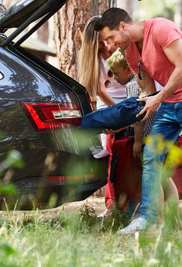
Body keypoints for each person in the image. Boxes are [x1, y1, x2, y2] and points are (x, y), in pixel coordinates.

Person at [95, 8, 182, 234]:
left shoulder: (161, 29)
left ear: (123, 26)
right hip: (168, 104)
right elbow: (147, 89)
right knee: (150, 157)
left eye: (111, 37)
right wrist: (126, 116)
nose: (109, 45)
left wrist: (158, 98)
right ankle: (147, 218)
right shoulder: (130, 53)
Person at [105, 48, 180, 224]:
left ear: (127, 68)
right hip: (170, 131)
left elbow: (137, 116)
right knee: (166, 177)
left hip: (150, 135)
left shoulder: (134, 85)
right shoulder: (156, 79)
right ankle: (176, 219)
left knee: (154, 175)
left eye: (116, 73)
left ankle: (159, 220)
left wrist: (137, 142)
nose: (115, 78)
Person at [77, 16, 126, 218]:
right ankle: (112, 204)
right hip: (114, 108)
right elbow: (100, 91)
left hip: (131, 101)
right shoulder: (91, 57)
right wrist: (119, 114)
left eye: (107, 40)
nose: (106, 45)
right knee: (113, 155)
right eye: (100, 43)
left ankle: (130, 202)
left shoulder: (119, 46)